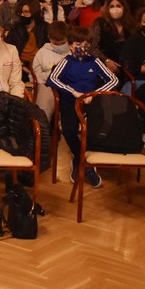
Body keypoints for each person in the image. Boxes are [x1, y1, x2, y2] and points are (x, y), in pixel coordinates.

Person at [47, 26, 120, 188]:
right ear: (71, 45)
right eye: (78, 43)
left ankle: (81, 162)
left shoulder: (94, 61)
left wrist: (94, 94)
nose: (82, 47)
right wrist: (73, 92)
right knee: (69, 130)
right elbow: (52, 80)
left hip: (92, 103)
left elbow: (113, 80)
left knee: (100, 128)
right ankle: (84, 161)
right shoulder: (65, 61)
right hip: (70, 102)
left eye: (86, 44)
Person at [31, 21, 70, 120]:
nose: (60, 46)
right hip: (47, 84)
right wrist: (49, 76)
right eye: (56, 43)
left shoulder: (74, 50)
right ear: (49, 38)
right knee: (43, 107)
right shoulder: (42, 52)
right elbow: (34, 75)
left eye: (63, 43)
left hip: (70, 84)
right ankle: (41, 130)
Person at [90, 0, 134, 73]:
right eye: (112, 6)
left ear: (124, 8)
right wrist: (106, 60)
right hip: (104, 65)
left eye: (118, 6)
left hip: (126, 67)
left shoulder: (131, 24)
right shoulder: (100, 23)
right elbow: (92, 47)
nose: (115, 9)